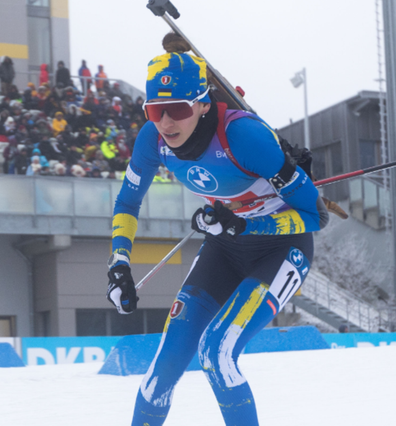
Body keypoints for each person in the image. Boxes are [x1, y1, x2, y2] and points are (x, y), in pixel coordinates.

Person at [105, 34, 326, 426]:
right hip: (225, 249)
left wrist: (246, 223)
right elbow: (127, 203)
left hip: (281, 249)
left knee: (216, 352)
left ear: (204, 104)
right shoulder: (152, 141)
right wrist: (119, 262)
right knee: (163, 368)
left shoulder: (244, 136)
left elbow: (315, 217)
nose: (167, 123)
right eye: (155, 111)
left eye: (176, 109)